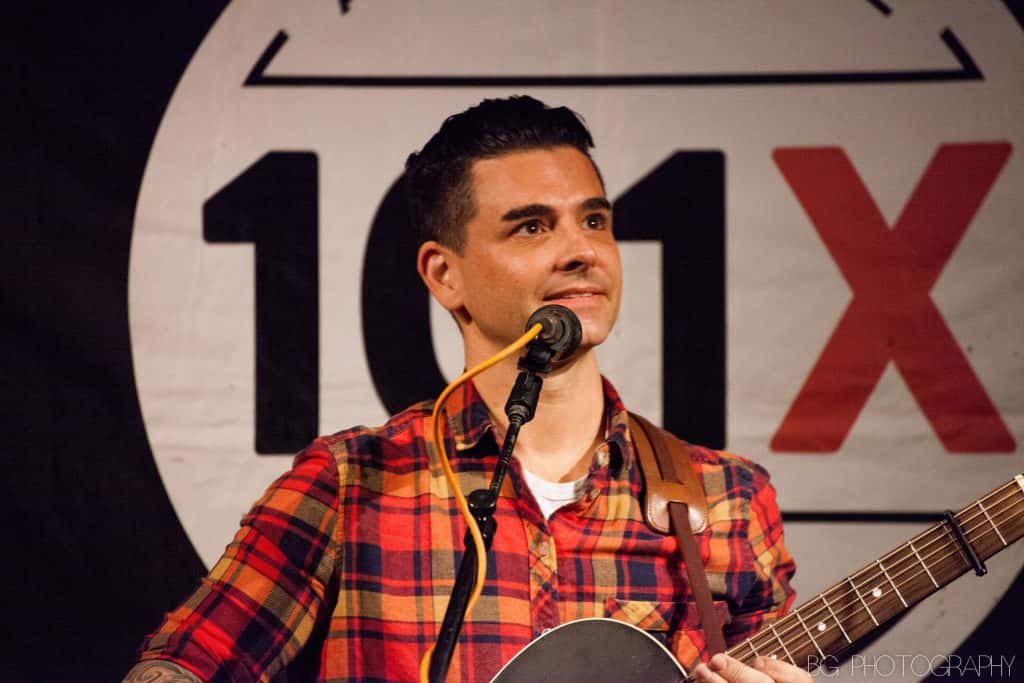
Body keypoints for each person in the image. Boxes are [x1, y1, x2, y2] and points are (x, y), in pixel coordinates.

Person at [124, 96, 809, 683]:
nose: (582, 251)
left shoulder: (727, 500)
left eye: (594, 220)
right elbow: (180, 665)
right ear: (444, 275)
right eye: (533, 226)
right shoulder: (350, 484)